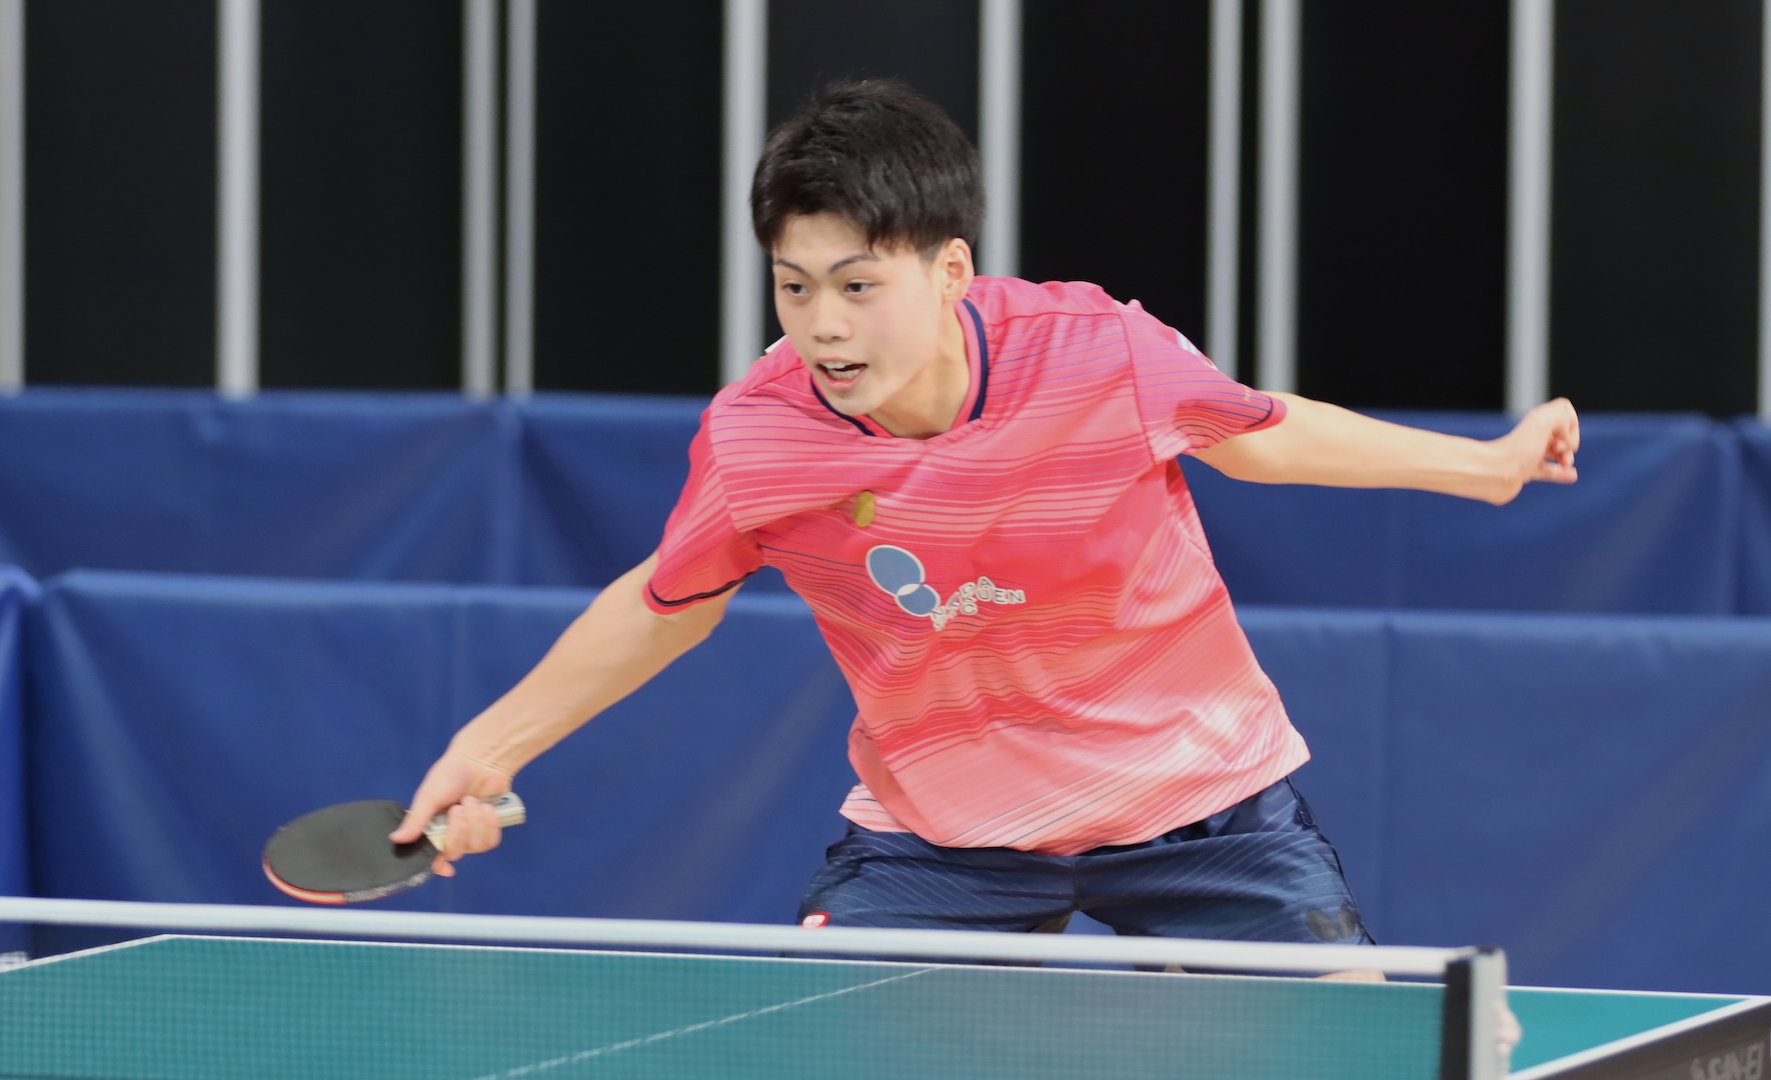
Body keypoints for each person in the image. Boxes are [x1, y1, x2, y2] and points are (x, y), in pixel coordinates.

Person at [393, 79, 1579, 947]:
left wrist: (1482, 467)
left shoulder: (1097, 351)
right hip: (944, 840)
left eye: (860, 286)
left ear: (951, 271)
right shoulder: (760, 437)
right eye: (794, 288)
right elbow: (667, 602)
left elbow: (1261, 433)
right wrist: (485, 752)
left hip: (1199, 805)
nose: (824, 326)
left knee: (1358, 1050)